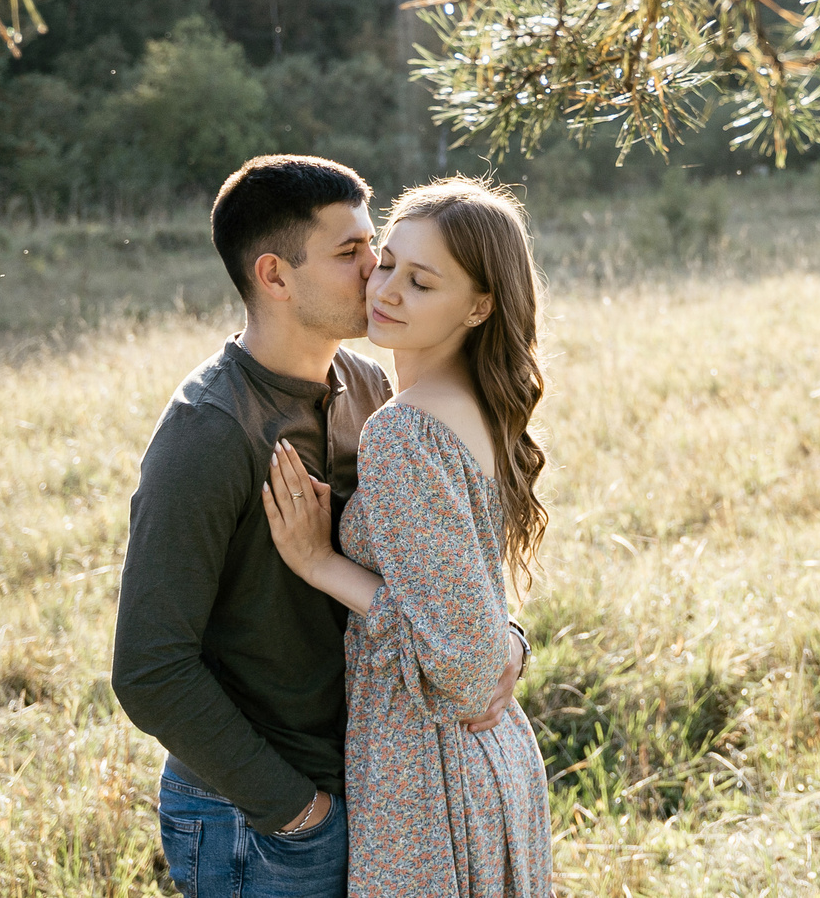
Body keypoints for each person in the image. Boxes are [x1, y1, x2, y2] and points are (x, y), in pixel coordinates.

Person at [113, 156, 526, 898]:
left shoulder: (371, 389)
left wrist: (503, 642)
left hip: (376, 791)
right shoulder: (208, 431)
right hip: (261, 817)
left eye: (378, 245)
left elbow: (438, 559)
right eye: (353, 253)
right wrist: (297, 812)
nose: (375, 271)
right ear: (274, 275)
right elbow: (150, 669)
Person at [262, 178, 555, 898]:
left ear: (480, 305)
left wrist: (320, 561)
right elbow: (475, 610)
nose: (384, 289)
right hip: (492, 757)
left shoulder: (402, 431)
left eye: (421, 282)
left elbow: (457, 662)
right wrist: (508, 640)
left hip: (429, 772)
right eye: (386, 263)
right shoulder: (477, 406)